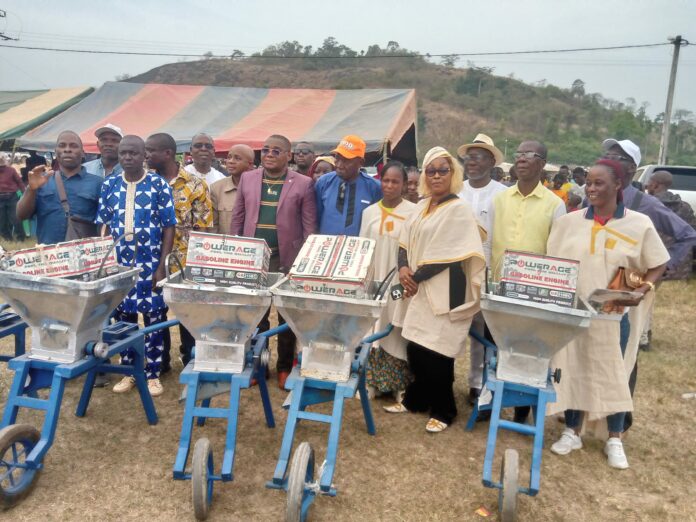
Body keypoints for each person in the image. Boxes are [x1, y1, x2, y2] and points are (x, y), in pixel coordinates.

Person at [547, 159, 669, 469]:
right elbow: (554, 265)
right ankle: (572, 430)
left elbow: (658, 262)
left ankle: (614, 437)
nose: (591, 188)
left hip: (614, 313)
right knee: (573, 366)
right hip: (574, 312)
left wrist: (643, 289)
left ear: (618, 185)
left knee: (615, 372)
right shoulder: (568, 222)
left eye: (599, 183)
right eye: (588, 182)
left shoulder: (638, 223)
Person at [384, 146, 485, 433]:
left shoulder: (459, 209)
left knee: (439, 351)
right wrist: (404, 270)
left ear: (453, 174)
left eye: (443, 170)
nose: (437, 175)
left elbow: (450, 252)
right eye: (431, 170)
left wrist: (414, 277)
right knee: (416, 344)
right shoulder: (421, 206)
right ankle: (417, 400)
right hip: (416, 285)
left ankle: (444, 410)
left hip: (447, 288)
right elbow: (403, 241)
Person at [601, 139, 696, 415]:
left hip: (626, 281)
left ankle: (617, 418)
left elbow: (687, 235)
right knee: (593, 343)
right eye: (606, 154)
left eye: (615, 156)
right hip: (593, 277)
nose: (608, 158)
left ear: (631, 168)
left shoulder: (646, 205)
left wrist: (657, 271)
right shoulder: (593, 195)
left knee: (624, 349)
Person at [231, 134, 317, 389]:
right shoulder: (248, 178)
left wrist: (304, 261)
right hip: (254, 258)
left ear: (288, 155)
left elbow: (309, 227)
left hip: (287, 259)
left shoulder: (303, 183)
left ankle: (283, 367)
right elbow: (238, 217)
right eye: (265, 149)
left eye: (276, 151)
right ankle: (258, 365)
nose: (269, 154)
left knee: (286, 317)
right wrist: (238, 251)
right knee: (256, 314)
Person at [490, 140, 565, 424]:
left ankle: (526, 408)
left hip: (536, 291)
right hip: (502, 288)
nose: (520, 160)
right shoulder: (499, 199)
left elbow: (556, 252)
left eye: (528, 155)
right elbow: (488, 244)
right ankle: (503, 404)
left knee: (533, 350)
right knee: (505, 347)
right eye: (518, 155)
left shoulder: (555, 205)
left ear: (542, 163)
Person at [97, 135, 176, 397]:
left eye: (133, 153)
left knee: (153, 319)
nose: (127, 158)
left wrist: (161, 266)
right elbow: (104, 225)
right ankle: (129, 371)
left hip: (150, 263)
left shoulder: (158, 185)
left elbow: (168, 226)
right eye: (123, 153)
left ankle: (153, 374)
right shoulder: (109, 185)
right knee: (124, 319)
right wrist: (105, 262)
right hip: (120, 266)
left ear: (144, 155)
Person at [145, 132, 213, 372]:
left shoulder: (195, 185)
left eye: (151, 150)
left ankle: (190, 357)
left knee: (188, 315)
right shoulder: (144, 184)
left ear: (168, 153)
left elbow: (205, 229)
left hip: (185, 262)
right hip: (152, 261)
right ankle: (159, 361)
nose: (146, 155)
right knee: (155, 313)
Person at [456, 133, 507, 406]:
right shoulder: (457, 191)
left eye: (478, 157)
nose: (471, 162)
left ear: (491, 161)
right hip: (456, 272)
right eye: (468, 157)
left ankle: (478, 385)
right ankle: (446, 380)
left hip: (488, 273)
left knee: (483, 332)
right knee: (453, 327)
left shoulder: (502, 195)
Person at [360, 161, 417, 401]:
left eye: (396, 181)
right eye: (386, 180)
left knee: (395, 326)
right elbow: (363, 247)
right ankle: (371, 383)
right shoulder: (369, 212)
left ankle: (398, 385)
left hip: (398, 286)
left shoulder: (414, 213)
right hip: (374, 283)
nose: (390, 185)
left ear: (404, 185)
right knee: (373, 326)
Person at [17, 131, 102, 244]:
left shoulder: (98, 183)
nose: (67, 149)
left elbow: (105, 224)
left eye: (73, 146)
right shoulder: (42, 182)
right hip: (50, 255)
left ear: (82, 153)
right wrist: (31, 189)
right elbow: (21, 215)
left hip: (86, 255)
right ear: (56, 152)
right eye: (62, 146)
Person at [315, 135, 382, 236]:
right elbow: (316, 216)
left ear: (360, 163)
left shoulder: (374, 187)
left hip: (358, 248)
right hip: (326, 247)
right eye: (337, 158)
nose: (339, 165)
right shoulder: (324, 182)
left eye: (346, 160)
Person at [645, 170, 696, 281]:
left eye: (649, 182)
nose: (647, 185)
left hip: (653, 270)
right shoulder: (685, 207)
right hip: (681, 271)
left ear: (655, 185)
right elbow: (692, 235)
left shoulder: (648, 207)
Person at [210, 144, 255, 234]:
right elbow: (213, 226)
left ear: (250, 164)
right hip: (227, 246)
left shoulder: (260, 187)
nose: (231, 161)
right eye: (229, 157)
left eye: (237, 158)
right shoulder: (216, 188)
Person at [0, 153, 26, 241]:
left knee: (15, 219)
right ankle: (7, 238)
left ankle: (20, 238)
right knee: (1, 221)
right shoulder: (11, 169)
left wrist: (25, 193)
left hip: (12, 197)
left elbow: (19, 181)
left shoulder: (11, 170)